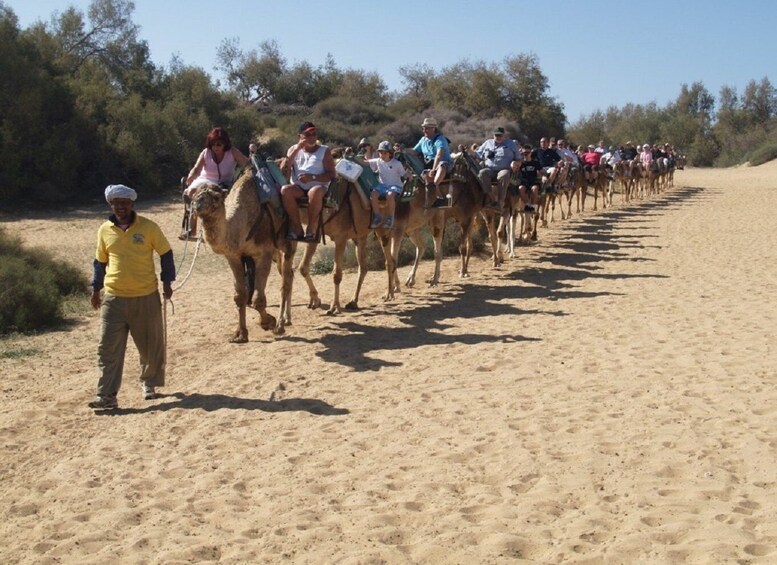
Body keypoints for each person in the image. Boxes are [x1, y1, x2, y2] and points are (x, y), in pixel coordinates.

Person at [88, 184, 176, 410]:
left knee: (149, 345)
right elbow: (100, 262)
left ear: (132, 204)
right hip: (113, 298)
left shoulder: (149, 227)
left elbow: (165, 253)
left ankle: (149, 384)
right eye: (116, 203)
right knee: (108, 348)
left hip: (145, 296)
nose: (121, 207)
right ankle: (107, 396)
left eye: (125, 203)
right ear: (111, 204)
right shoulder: (104, 230)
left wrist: (167, 282)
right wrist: (96, 289)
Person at [180, 127, 250, 240]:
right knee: (194, 193)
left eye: (219, 144)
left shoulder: (232, 152)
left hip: (225, 182)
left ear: (225, 144)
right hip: (206, 179)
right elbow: (197, 168)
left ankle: (228, 230)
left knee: (232, 198)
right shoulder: (206, 152)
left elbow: (247, 164)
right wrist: (191, 175)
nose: (216, 147)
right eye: (213, 144)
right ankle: (192, 230)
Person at [280, 121, 336, 242]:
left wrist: (312, 178)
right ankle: (297, 227)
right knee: (285, 190)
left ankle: (311, 227)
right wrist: (296, 150)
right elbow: (285, 169)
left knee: (314, 192)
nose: (312, 138)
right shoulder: (293, 150)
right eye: (307, 135)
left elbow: (331, 174)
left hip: (318, 186)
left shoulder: (324, 151)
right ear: (299, 136)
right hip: (298, 186)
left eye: (314, 134)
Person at [473, 126, 521, 210]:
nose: (498, 137)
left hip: (504, 169)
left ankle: (500, 201)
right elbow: (477, 154)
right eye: (496, 135)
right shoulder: (488, 143)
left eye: (500, 135)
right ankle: (492, 199)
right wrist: (467, 151)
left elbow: (519, 159)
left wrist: (515, 163)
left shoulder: (510, 144)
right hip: (490, 169)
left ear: (504, 136)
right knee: (482, 173)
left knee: (504, 174)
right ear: (493, 135)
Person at [365, 140, 407, 229]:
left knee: (390, 195)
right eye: (380, 153)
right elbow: (366, 161)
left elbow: (403, 174)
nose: (382, 155)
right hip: (382, 186)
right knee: (373, 194)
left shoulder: (397, 163)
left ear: (390, 153)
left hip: (395, 185)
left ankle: (390, 217)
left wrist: (409, 176)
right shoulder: (378, 161)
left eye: (384, 153)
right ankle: (377, 216)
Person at [413, 117, 452, 208]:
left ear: (433, 129)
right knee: (425, 174)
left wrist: (434, 170)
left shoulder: (440, 139)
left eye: (427, 128)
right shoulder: (423, 140)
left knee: (441, 166)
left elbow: (439, 155)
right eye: (423, 128)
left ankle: (435, 185)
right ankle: (438, 197)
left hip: (443, 162)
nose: (424, 130)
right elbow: (414, 151)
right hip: (429, 164)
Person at [516, 145, 542, 211]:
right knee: (520, 188)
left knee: (535, 189)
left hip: (533, 181)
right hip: (524, 182)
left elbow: (541, 171)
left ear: (531, 153)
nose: (526, 154)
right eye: (524, 153)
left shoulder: (535, 163)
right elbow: (515, 171)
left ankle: (533, 206)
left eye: (527, 153)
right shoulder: (520, 163)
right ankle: (528, 205)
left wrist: (544, 176)